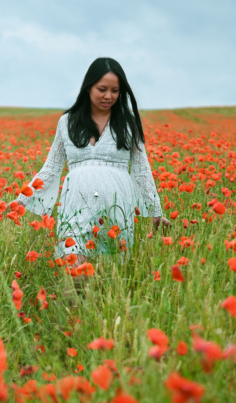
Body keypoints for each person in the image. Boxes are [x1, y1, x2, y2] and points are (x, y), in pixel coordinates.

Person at [12, 57, 170, 264]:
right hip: (76, 207)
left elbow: (141, 170)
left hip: (116, 208)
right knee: (74, 271)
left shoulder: (128, 124)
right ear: (88, 87)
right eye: (102, 89)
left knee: (107, 278)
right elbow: (51, 168)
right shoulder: (67, 122)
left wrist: (155, 213)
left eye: (115, 91)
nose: (108, 96)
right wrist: (22, 201)